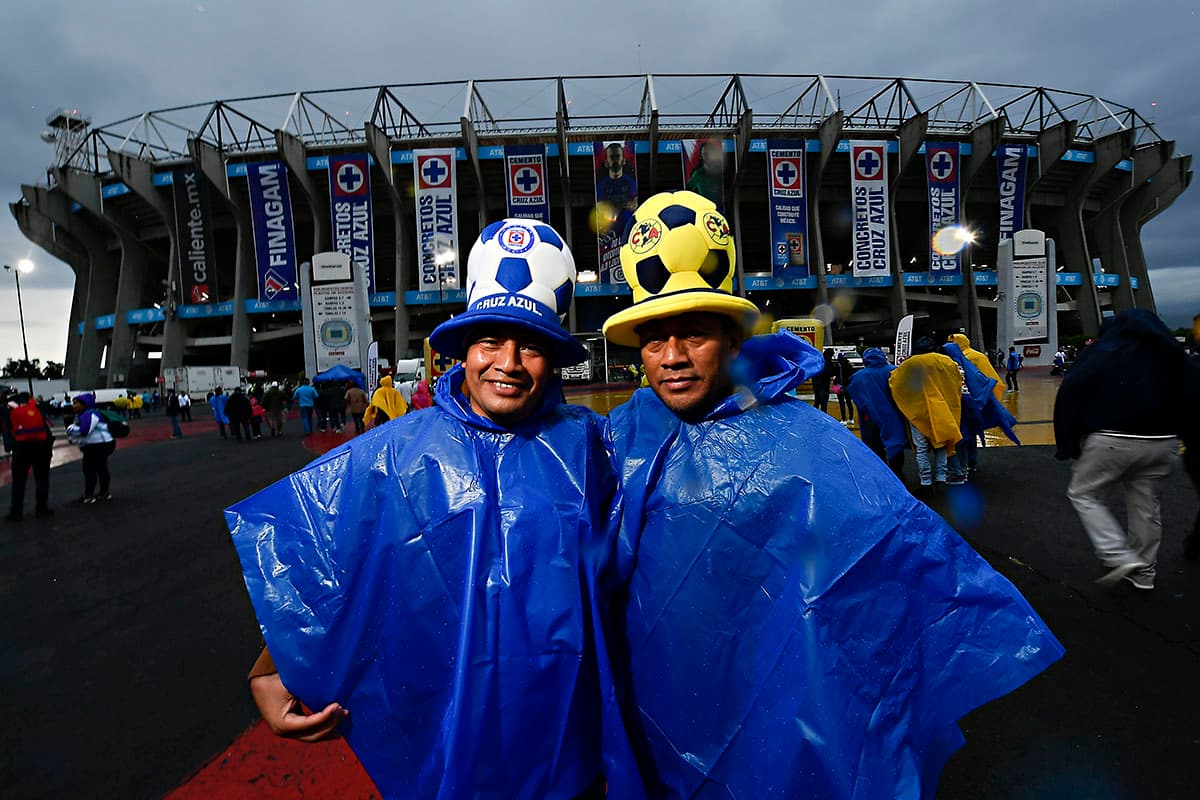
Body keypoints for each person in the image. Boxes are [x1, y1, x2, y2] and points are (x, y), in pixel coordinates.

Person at [601, 191, 1062, 799]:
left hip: (774, 706)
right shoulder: (625, 433)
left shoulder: (807, 440)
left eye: (693, 335)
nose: (673, 357)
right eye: (655, 340)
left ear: (732, 343)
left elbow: (887, 554)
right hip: (661, 691)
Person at [227, 219, 641, 800]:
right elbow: (331, 560)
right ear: (464, 349)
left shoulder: (591, 446)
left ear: (552, 357)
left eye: (530, 345)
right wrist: (272, 666)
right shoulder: (395, 453)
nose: (508, 362)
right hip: (444, 726)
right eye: (490, 341)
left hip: (562, 737)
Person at [1054, 309, 1200, 590]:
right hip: (1163, 442)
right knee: (1146, 506)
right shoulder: (1171, 355)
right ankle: (1144, 574)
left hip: (1112, 439)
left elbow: (1072, 391)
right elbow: (1191, 395)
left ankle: (1116, 554)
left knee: (1084, 493)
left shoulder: (1104, 352)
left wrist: (1068, 443)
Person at [889, 336, 964, 491]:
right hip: (943, 411)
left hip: (918, 412)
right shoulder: (946, 361)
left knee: (921, 448)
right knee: (941, 444)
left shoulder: (911, 363)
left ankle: (925, 481)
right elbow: (956, 383)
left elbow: (895, 382)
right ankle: (941, 478)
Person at [846, 347, 906, 476]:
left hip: (869, 417)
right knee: (896, 444)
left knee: (874, 447)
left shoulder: (858, 377)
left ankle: (881, 476)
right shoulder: (895, 371)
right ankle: (898, 473)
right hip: (894, 415)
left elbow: (854, 396)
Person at [5, 392, 54, 521]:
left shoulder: (12, 411)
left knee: (19, 481)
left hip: (21, 447)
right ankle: (41, 508)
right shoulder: (38, 409)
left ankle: (16, 512)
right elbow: (47, 429)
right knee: (42, 478)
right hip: (40, 447)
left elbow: (8, 430)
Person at [66, 392, 115, 503]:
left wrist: (70, 429)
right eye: (73, 403)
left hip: (99, 445)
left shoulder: (90, 414)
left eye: (76, 403)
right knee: (99, 468)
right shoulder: (84, 414)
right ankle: (103, 493)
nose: (74, 406)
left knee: (90, 469)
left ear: (85, 404)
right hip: (98, 445)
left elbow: (85, 430)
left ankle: (90, 495)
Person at [835, 350, 857, 425]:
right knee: (849, 402)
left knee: (841, 402)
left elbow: (834, 376)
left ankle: (843, 419)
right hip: (848, 386)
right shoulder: (849, 365)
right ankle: (851, 418)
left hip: (838, 385)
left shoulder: (837, 366)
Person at [811, 347, 834, 412]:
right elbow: (829, 372)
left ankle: (814, 415)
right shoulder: (827, 362)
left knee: (817, 401)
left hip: (816, 383)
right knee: (823, 403)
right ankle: (823, 416)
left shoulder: (818, 361)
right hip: (824, 385)